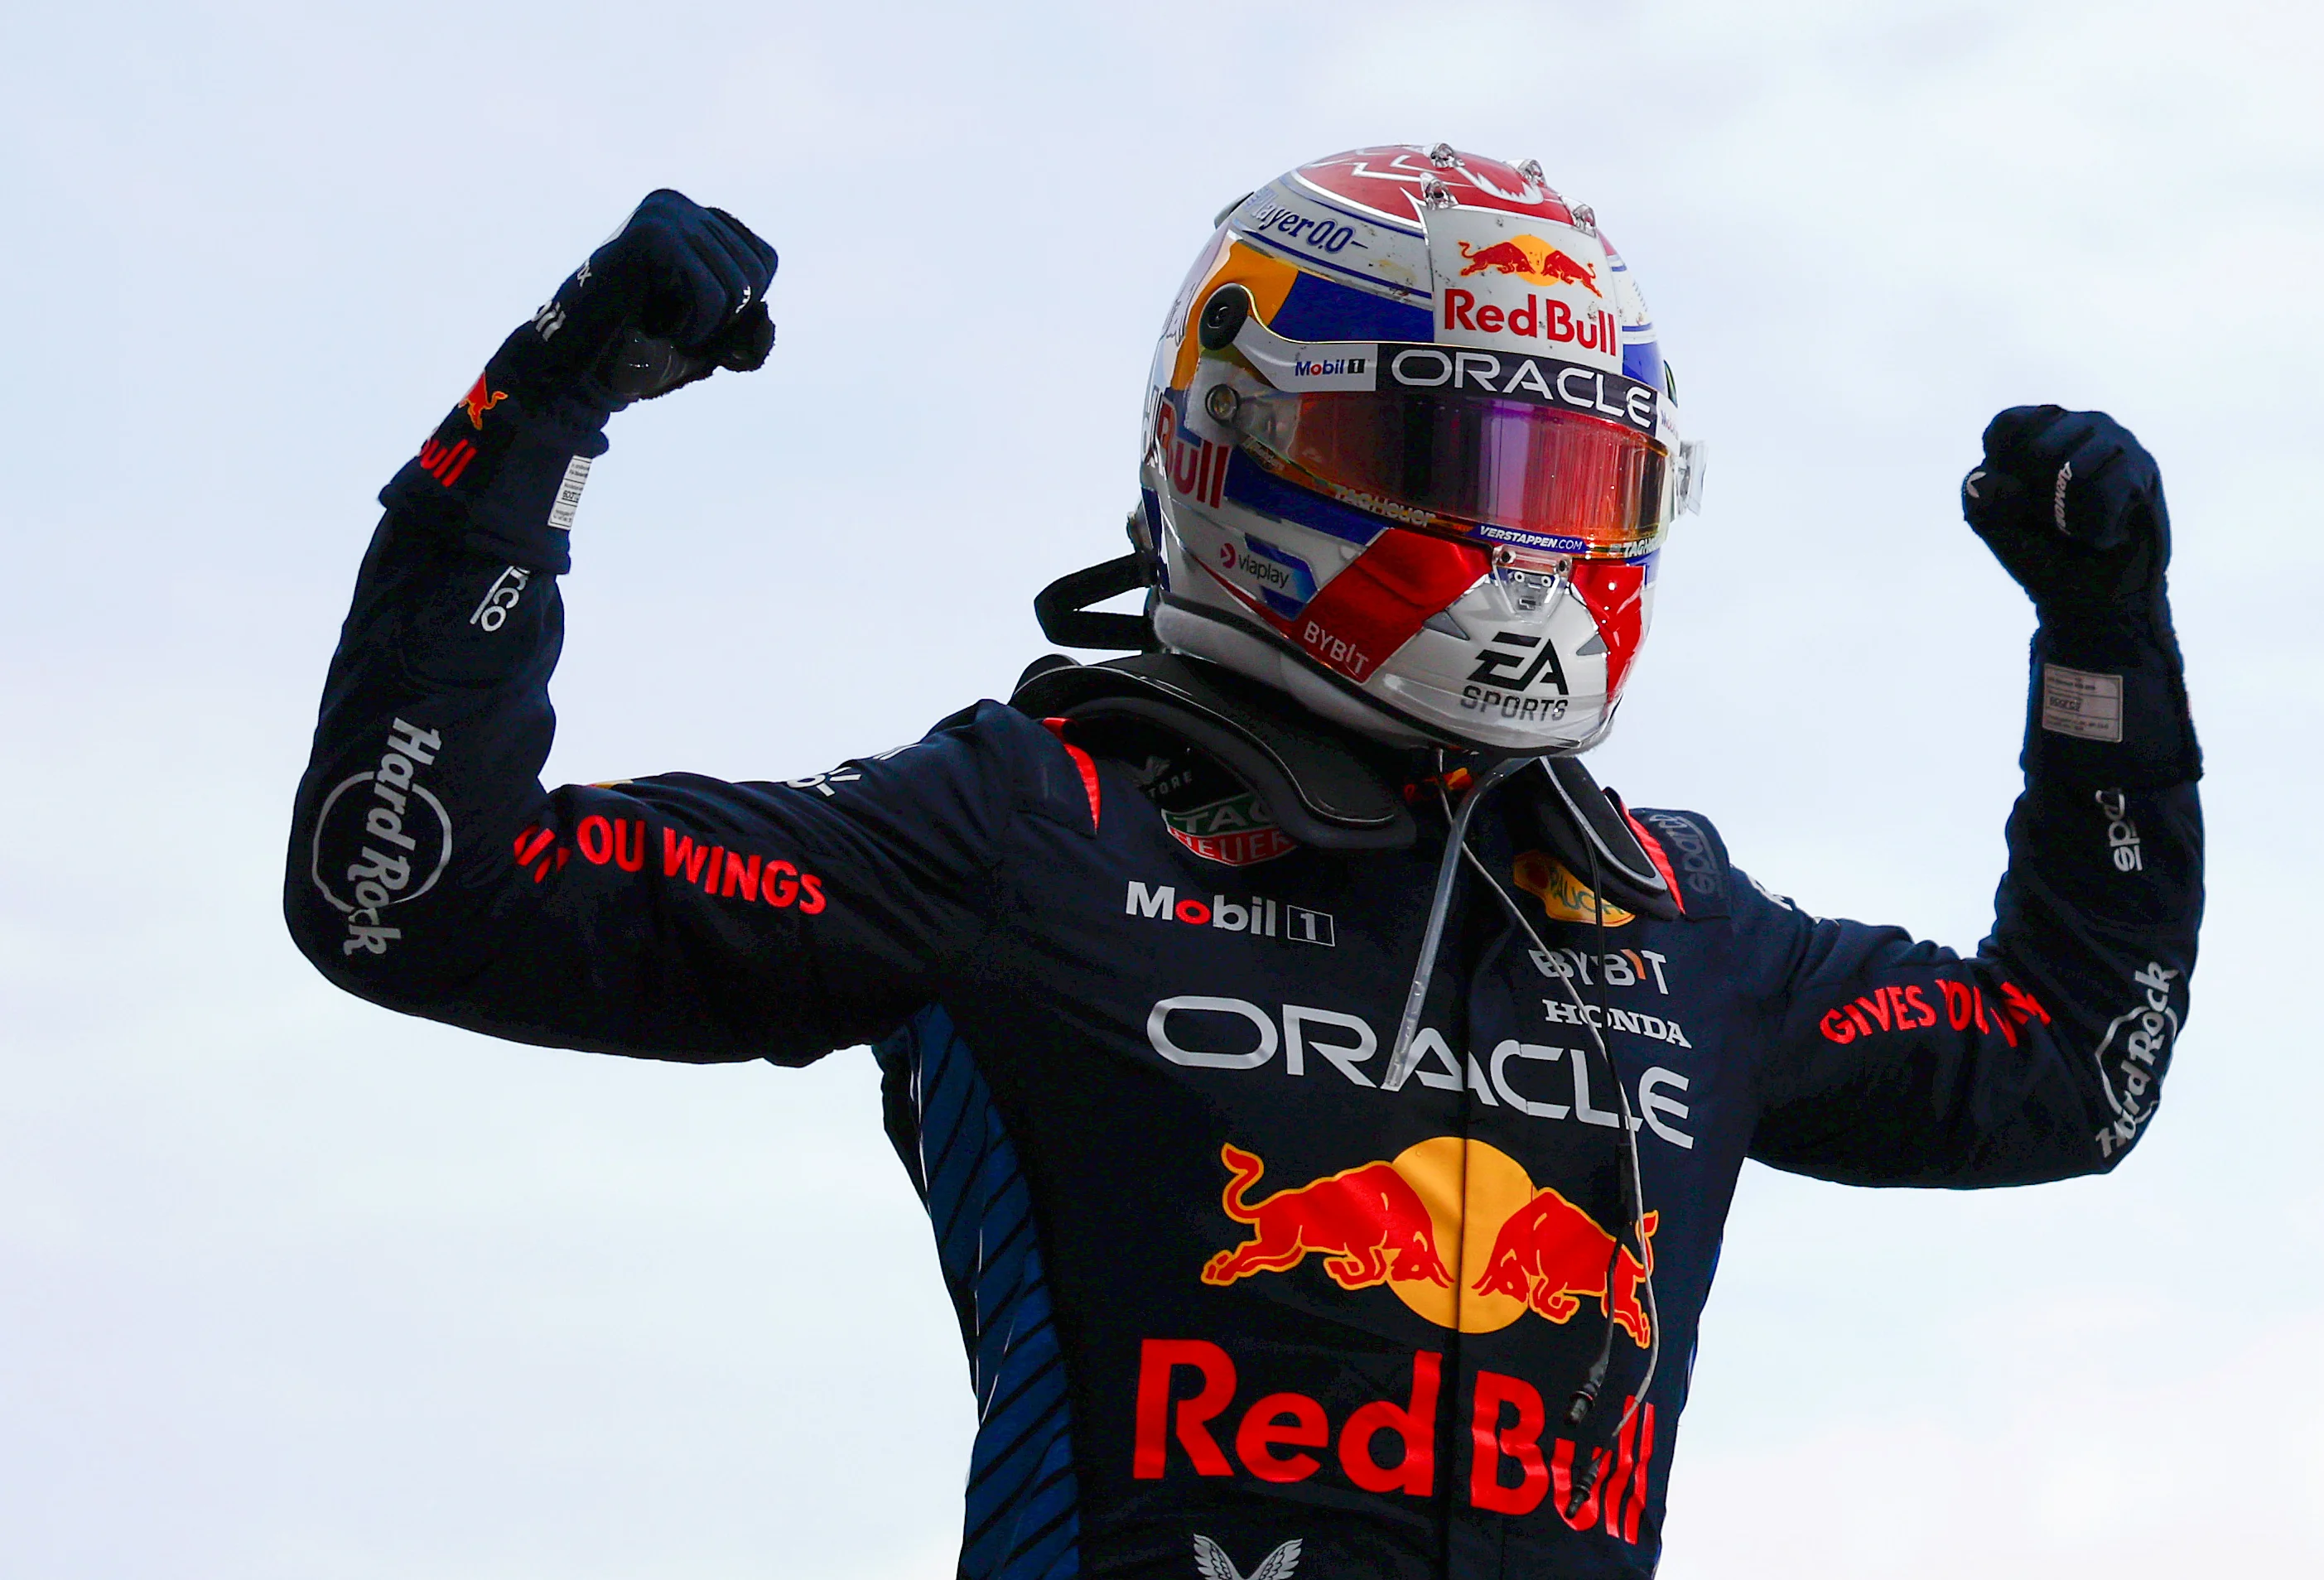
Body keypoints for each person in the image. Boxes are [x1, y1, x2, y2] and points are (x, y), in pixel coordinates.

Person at [287, 145, 2203, 1580]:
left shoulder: (1671, 917)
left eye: (1581, 486)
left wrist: (2102, 645)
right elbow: (414, 894)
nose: (1532, 554)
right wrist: (543, 413)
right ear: (1245, 447)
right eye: (1472, 472)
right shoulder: (1022, 824)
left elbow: (2065, 1069)